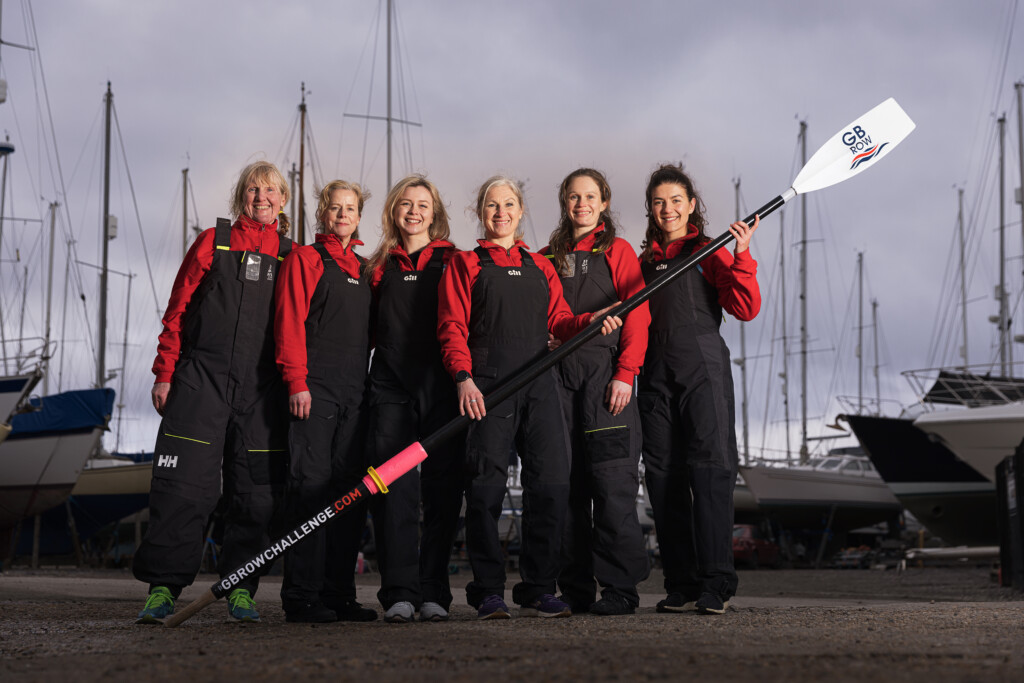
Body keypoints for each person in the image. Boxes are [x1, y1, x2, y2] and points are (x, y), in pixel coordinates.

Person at [437, 175, 621, 620]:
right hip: (488, 387)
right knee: (485, 489)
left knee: (553, 484)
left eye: (509, 205)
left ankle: (539, 587)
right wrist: (463, 377)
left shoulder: (540, 266)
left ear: (520, 212)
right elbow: (451, 327)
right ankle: (487, 591)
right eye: (492, 205)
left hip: (540, 384)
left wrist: (590, 320)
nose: (500, 213)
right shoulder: (466, 263)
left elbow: (559, 320)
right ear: (481, 213)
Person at [134, 160, 294, 623]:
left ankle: (241, 589)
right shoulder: (213, 241)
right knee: (183, 488)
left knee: (256, 494)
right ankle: (163, 588)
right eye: (252, 189)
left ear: (283, 200)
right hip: (201, 381)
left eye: (270, 190)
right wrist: (165, 371)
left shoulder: (292, 254)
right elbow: (177, 309)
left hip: (261, 391)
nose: (260, 197)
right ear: (241, 195)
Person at [637, 163, 760, 615]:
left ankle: (715, 583)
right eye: (658, 202)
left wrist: (743, 254)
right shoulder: (643, 263)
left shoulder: (710, 250)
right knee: (663, 477)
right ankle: (682, 582)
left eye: (675, 201)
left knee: (710, 473)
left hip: (702, 366)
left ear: (691, 205)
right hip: (653, 375)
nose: (667, 209)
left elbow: (744, 307)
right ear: (650, 209)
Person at [540, 168, 651, 616]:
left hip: (606, 380)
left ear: (604, 202)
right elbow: (545, 317)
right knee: (567, 487)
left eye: (590, 197)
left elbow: (638, 314)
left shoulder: (619, 251)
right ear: (564, 203)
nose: (581, 204)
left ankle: (621, 590)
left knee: (611, 484)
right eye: (573, 197)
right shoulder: (548, 256)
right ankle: (576, 589)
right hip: (558, 380)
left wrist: (626, 373)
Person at [273, 180, 378, 623]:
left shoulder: (366, 268)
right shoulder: (306, 259)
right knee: (310, 492)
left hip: (356, 393)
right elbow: (288, 322)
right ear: (323, 212)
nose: (342, 215)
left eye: (350, 209)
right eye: (335, 208)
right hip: (313, 391)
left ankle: (339, 594)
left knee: (349, 495)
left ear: (359, 216)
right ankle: (301, 595)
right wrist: (296, 382)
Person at [364, 175, 462, 623]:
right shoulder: (379, 265)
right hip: (391, 386)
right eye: (406, 203)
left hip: (442, 385)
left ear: (435, 212)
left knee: (442, 488)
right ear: (393, 211)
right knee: (394, 488)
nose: (414, 211)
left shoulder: (455, 259)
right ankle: (399, 592)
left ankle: (435, 592)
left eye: (423, 204)